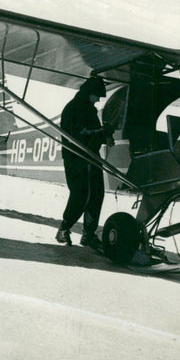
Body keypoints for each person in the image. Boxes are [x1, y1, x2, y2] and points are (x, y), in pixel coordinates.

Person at [55, 75, 114, 251]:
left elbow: (93, 134)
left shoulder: (90, 110)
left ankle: (89, 234)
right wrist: (103, 132)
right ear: (89, 92)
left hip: (92, 158)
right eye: (97, 96)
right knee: (80, 194)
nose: (98, 100)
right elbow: (81, 134)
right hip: (76, 158)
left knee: (97, 195)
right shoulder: (73, 109)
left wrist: (105, 136)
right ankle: (64, 229)